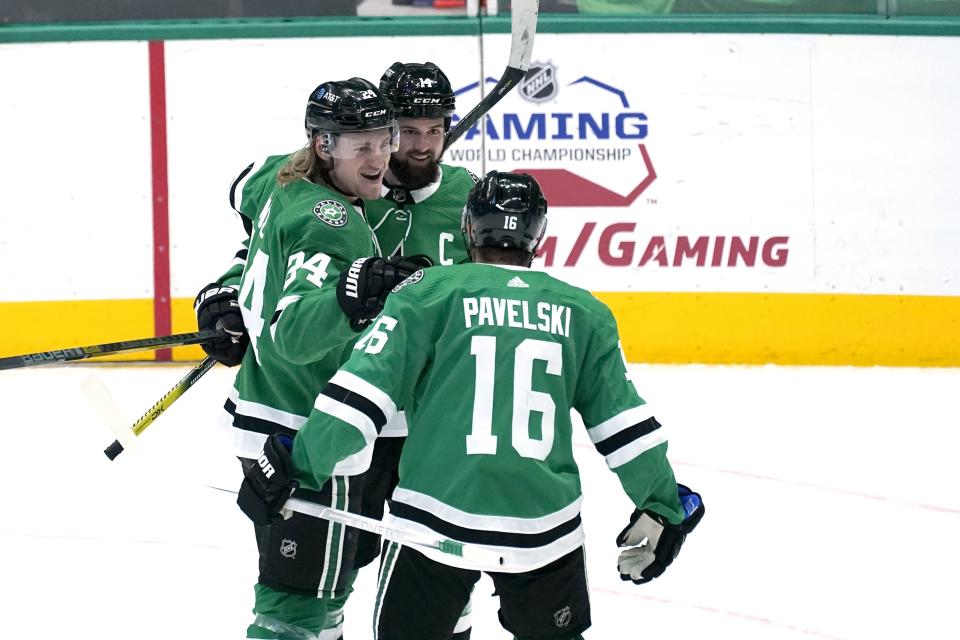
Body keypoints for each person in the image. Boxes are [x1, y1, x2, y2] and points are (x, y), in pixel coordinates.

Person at [239, 171, 705, 639]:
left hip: (432, 524)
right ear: (538, 234)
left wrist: (297, 466)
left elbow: (357, 400)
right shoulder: (585, 313)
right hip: (543, 528)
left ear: (467, 228)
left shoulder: (424, 294)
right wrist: (664, 504)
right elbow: (625, 427)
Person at [197, 77, 426, 640]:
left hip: (261, 412)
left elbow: (240, 191)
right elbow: (292, 336)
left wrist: (232, 287)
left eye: (385, 138)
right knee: (296, 610)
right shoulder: (337, 227)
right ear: (324, 147)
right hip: (307, 434)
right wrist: (352, 293)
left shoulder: (279, 176)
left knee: (314, 600)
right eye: (362, 146)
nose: (381, 157)